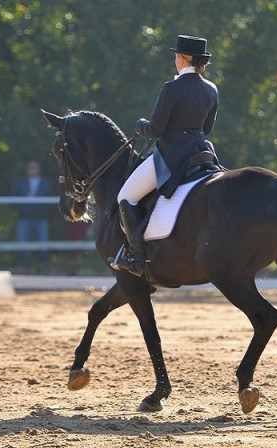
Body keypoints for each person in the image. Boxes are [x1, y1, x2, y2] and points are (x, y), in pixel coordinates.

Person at [110, 34, 219, 276]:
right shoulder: (211, 88)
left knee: (125, 197)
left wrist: (140, 125)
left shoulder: (171, 88)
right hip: (201, 153)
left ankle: (137, 257)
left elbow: (155, 130)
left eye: (176, 56)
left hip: (172, 155)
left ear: (182, 59)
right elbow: (207, 128)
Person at [12, 160, 54, 262]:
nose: (32, 170)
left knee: (43, 241)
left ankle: (43, 263)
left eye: (35, 167)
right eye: (30, 167)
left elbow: (50, 198)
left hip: (41, 217)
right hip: (24, 217)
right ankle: (21, 262)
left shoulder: (46, 183)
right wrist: (22, 209)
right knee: (22, 241)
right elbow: (13, 198)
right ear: (27, 169)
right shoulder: (20, 182)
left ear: (39, 169)